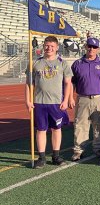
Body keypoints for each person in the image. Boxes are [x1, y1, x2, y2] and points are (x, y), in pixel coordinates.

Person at [25, 35, 73, 168]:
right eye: (47, 46)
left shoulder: (63, 63)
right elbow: (29, 84)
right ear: (43, 46)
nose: (49, 48)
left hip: (56, 103)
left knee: (56, 129)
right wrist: (28, 101)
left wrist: (65, 100)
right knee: (41, 129)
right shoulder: (34, 63)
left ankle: (56, 156)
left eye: (52, 46)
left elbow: (68, 83)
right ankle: (41, 158)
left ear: (57, 47)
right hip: (39, 103)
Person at [70, 37, 100, 160]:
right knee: (80, 125)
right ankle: (79, 150)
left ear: (98, 49)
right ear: (85, 47)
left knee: (99, 125)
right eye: (89, 46)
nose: (91, 49)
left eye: (94, 47)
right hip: (82, 98)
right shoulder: (77, 64)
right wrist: (70, 97)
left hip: (99, 98)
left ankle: (98, 149)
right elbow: (72, 83)